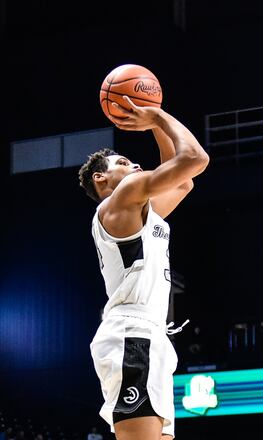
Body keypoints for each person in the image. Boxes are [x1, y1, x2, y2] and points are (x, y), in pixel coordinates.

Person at [79, 96, 209, 440]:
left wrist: (153, 125)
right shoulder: (122, 197)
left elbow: (183, 182)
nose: (135, 165)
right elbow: (195, 160)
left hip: (148, 336)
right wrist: (159, 116)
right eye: (123, 161)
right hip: (131, 335)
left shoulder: (137, 209)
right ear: (101, 179)